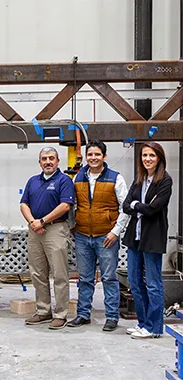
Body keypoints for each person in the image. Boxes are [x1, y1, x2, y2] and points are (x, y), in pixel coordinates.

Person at [68, 140, 129, 332]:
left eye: (97, 154)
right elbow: (70, 205)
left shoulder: (115, 178)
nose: (93, 158)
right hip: (83, 236)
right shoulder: (78, 178)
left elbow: (125, 208)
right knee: (85, 278)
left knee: (109, 278)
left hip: (106, 237)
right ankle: (83, 314)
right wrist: (73, 227)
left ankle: (111, 317)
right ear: (86, 157)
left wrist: (115, 232)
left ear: (104, 157)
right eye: (90, 155)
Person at [20, 147, 74, 330]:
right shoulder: (32, 181)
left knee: (59, 274)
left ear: (58, 161)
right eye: (44, 159)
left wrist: (43, 221)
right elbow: (23, 204)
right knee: (37, 273)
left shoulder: (64, 180)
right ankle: (43, 311)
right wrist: (33, 222)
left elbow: (65, 205)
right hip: (35, 231)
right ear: (39, 162)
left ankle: (60, 314)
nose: (48, 162)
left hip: (55, 229)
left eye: (51, 158)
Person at [122, 142, 172, 339]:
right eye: (144, 155)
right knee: (134, 281)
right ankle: (143, 324)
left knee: (153, 283)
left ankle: (155, 327)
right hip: (135, 237)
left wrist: (137, 205)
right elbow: (126, 205)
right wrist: (139, 205)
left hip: (152, 238)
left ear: (159, 158)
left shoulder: (165, 180)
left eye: (151, 155)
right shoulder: (139, 179)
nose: (147, 159)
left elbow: (154, 209)